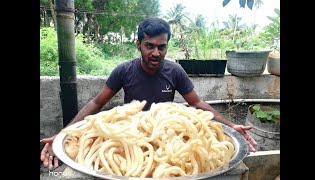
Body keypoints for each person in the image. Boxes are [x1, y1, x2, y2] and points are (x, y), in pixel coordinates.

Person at [40, 17, 257, 170]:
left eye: (161, 47)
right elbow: (96, 103)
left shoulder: (175, 71)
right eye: (149, 46)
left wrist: (230, 125)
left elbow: (197, 103)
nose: (156, 52)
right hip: (129, 138)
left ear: (166, 47)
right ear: (139, 45)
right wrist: (63, 133)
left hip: (165, 139)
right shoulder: (124, 71)